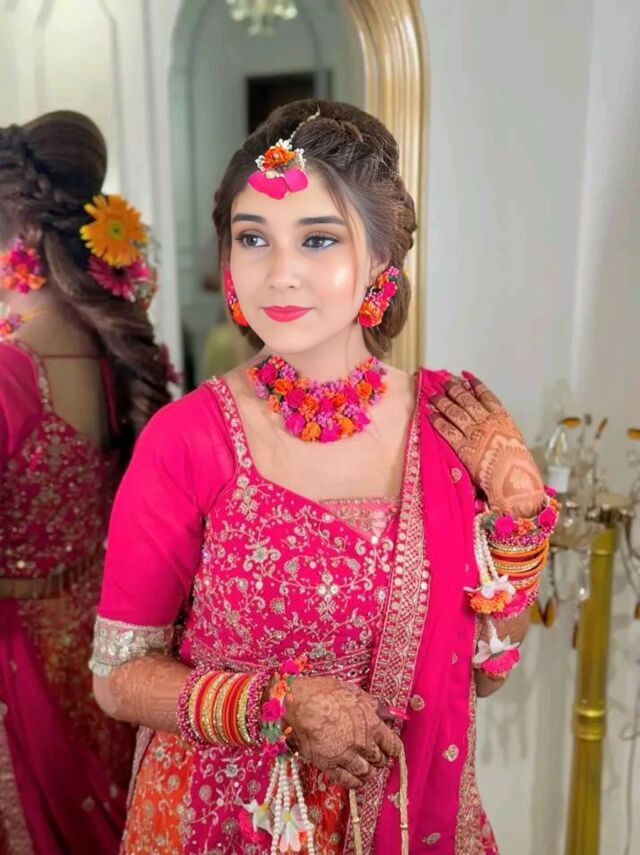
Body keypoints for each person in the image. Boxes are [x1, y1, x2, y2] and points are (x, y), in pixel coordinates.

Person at [91, 100, 556, 854]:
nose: (280, 274)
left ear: (379, 261)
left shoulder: (451, 427)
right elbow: (118, 677)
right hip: (222, 824)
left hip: (403, 822)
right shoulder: (188, 439)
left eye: (317, 239)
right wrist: (277, 705)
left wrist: (519, 509)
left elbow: (484, 675)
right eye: (253, 238)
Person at [0, 110, 173, 854]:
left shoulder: (11, 370)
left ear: (21, 234)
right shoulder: (116, 352)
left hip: (20, 666)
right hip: (105, 649)